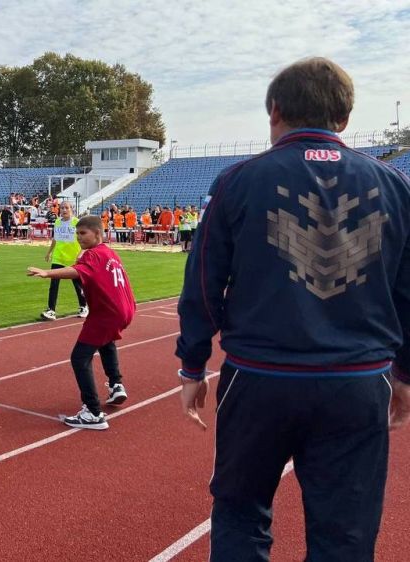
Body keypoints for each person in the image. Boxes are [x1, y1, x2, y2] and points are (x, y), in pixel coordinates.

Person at [175, 57, 410, 561]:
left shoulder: (238, 181)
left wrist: (193, 364)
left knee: (239, 512)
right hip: (357, 380)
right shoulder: (395, 187)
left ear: (275, 110)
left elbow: (202, 282)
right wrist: (406, 374)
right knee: (345, 534)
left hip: (259, 377)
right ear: (344, 119)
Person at [27, 215, 135, 429]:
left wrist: (47, 273)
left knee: (79, 358)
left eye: (83, 233)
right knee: (106, 342)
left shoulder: (93, 255)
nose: (79, 237)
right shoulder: (110, 253)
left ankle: (93, 412)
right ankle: (116, 384)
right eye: (77, 234)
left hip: (106, 313)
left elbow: (76, 271)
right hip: (124, 309)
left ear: (98, 233)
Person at [40, 201, 88, 321]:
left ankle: (83, 306)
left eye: (66, 208)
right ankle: (51, 310)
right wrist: (49, 252)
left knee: (77, 283)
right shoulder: (57, 222)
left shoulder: (77, 222)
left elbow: (84, 239)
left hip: (73, 258)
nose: (64, 210)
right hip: (58, 257)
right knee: (54, 283)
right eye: (62, 208)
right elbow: (55, 239)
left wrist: (81, 253)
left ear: (71, 209)